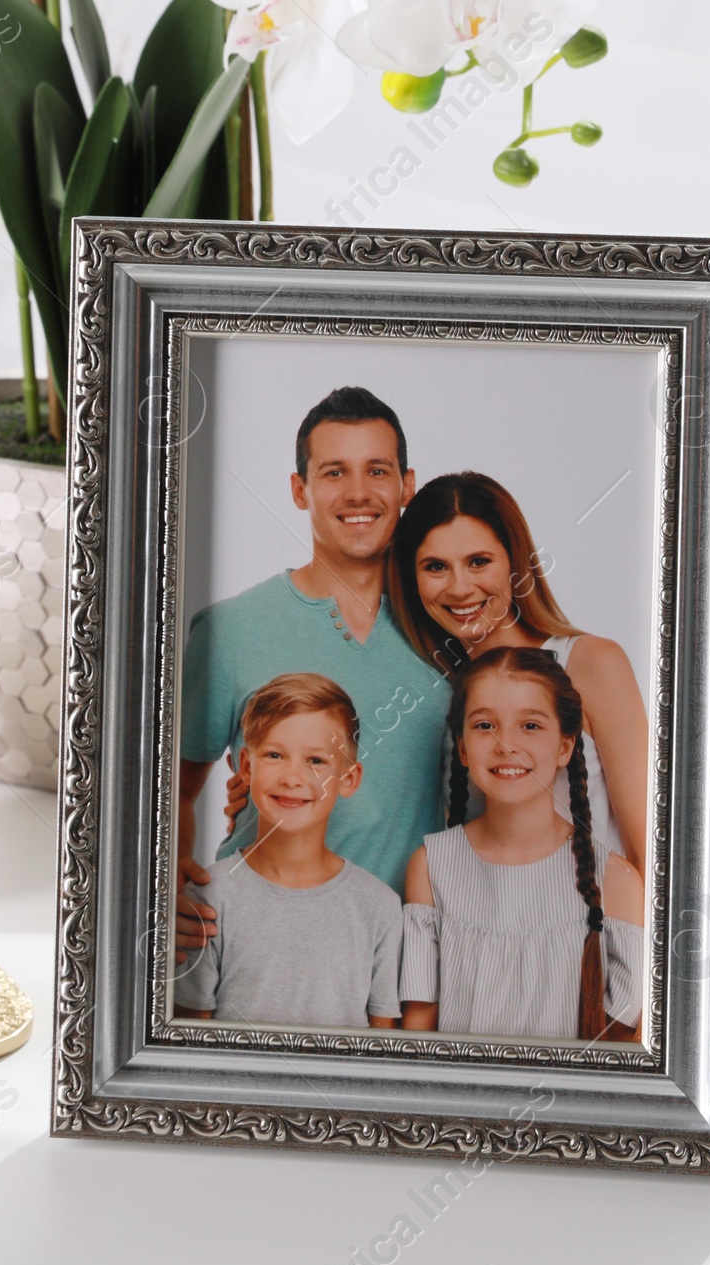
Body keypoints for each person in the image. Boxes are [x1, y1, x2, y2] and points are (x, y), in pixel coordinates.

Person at [177, 387, 449, 942]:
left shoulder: (449, 626)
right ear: (300, 490)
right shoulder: (231, 631)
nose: (357, 493)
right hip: (259, 942)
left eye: (377, 470)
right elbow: (172, 790)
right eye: (333, 473)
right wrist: (166, 887)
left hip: (410, 954)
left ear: (407, 486)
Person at [387, 471, 649, 876]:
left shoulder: (592, 663)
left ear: (515, 560)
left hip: (591, 930)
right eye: (436, 567)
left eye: (479, 562)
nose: (459, 588)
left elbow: (649, 852)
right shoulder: (436, 692)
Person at [400, 648, 642, 1041]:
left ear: (565, 746)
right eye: (484, 726)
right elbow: (418, 1026)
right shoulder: (431, 865)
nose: (505, 744)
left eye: (530, 726)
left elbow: (623, 1041)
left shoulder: (615, 880)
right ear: (461, 748)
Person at [173, 673, 402, 1031]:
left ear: (348, 779)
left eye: (316, 761)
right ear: (247, 766)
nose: (293, 777)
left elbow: (381, 1040)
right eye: (275, 755)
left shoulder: (379, 907)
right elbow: (191, 1038)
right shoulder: (209, 896)